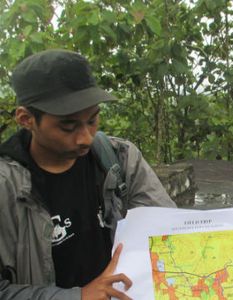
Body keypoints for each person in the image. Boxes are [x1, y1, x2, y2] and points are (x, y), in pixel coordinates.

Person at [0, 49, 177, 299]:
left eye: (93, 121)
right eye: (68, 126)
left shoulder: (120, 159)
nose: (85, 138)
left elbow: (170, 231)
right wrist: (79, 296)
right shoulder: (7, 187)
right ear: (26, 119)